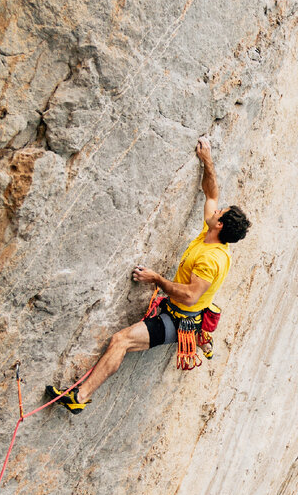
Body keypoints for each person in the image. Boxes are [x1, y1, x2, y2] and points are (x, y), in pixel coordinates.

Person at [46, 137, 252, 412]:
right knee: (123, 343)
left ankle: (79, 399)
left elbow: (191, 296)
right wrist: (208, 162)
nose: (216, 209)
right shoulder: (211, 235)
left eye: (220, 212)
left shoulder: (210, 259)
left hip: (180, 321)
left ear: (220, 223)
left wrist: (156, 279)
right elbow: (211, 194)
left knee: (121, 340)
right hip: (176, 310)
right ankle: (79, 395)